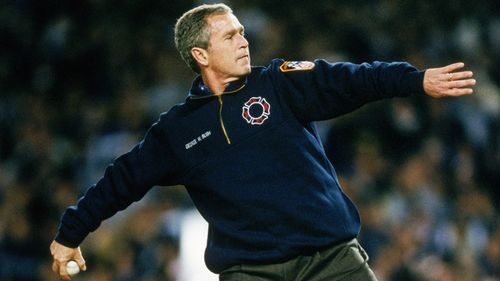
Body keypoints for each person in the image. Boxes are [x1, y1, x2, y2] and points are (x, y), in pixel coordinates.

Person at [50, 3, 476, 281]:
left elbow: (350, 80)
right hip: (250, 273)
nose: (245, 40)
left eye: (243, 32)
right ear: (201, 55)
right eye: (231, 36)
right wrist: (71, 232)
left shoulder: (278, 83)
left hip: (331, 260)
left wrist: (414, 79)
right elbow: (120, 180)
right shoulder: (176, 132)